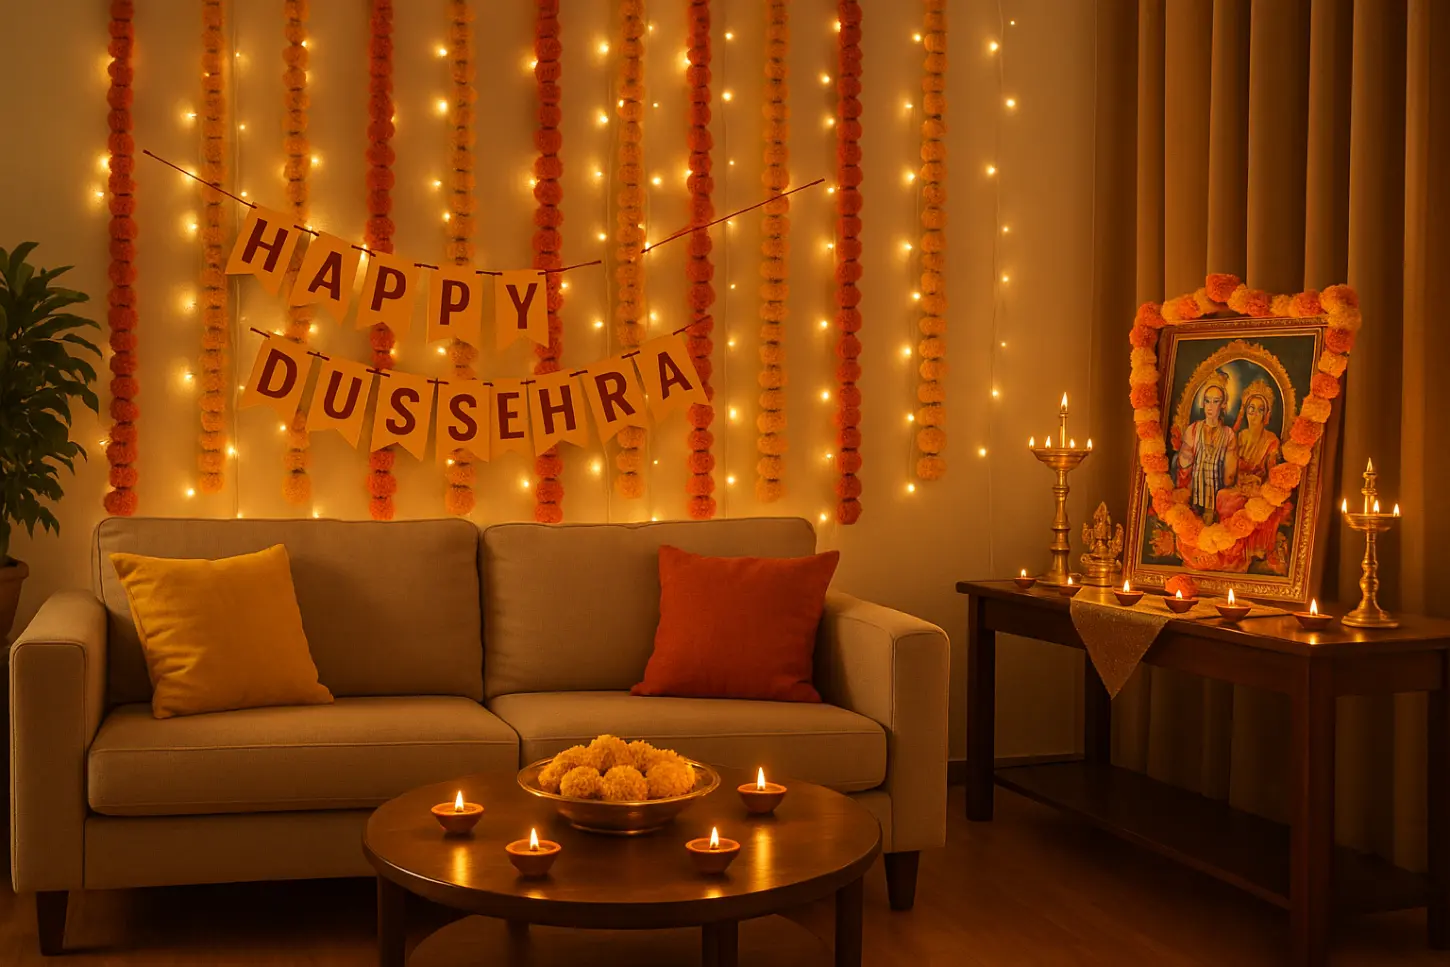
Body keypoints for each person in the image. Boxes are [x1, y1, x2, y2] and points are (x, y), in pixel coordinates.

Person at [1216, 378, 1290, 566]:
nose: (1254, 414)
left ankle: (1245, 552)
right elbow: (1231, 469)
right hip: (1240, 485)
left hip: (1259, 490)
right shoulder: (1240, 436)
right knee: (1223, 496)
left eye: (1259, 409)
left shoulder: (1271, 440)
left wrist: (1257, 484)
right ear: (1245, 412)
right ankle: (1227, 548)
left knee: (1239, 503)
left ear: (1266, 414)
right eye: (1251, 409)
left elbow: (1272, 475)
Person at [1173, 371, 1236, 523]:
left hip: (1217, 504)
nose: (1210, 406)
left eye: (1216, 401)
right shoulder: (1193, 430)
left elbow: (1229, 477)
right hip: (1193, 499)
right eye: (1207, 401)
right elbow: (1184, 468)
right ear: (1202, 403)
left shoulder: (1229, 435)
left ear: (1223, 405)